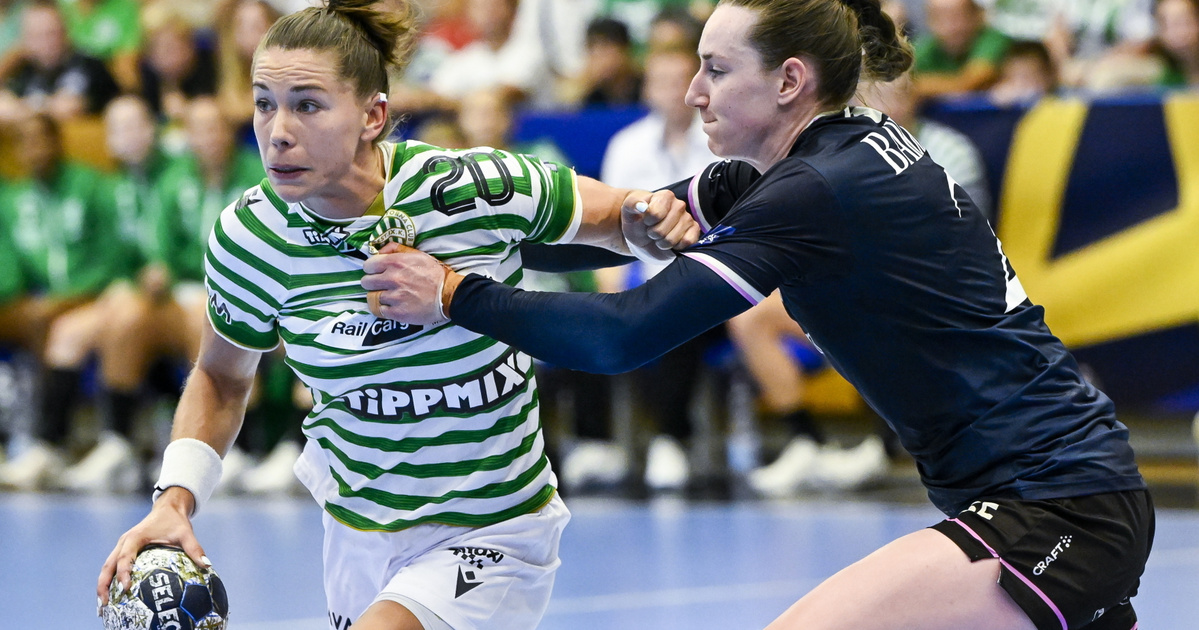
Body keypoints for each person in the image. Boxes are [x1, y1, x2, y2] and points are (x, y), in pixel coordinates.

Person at [368, 1, 1155, 628]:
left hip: (1056, 509)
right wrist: (451, 233)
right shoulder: (816, 157)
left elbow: (621, 335)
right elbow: (612, 228)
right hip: (1044, 495)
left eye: (715, 69)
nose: (692, 92)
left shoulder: (813, 190)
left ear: (787, 81)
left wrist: (455, 293)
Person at [97, 3, 698, 630]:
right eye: (264, 104)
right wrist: (176, 498)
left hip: (494, 528)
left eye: (307, 105)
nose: (277, 131)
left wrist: (651, 218)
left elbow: (620, 215)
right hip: (357, 530)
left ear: (373, 116)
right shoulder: (252, 236)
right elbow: (221, 377)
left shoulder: (469, 188)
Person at [0, 112, 122, 489]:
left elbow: (112, 258)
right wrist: (19, 297)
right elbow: (8, 264)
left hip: (93, 294)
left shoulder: (91, 186)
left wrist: (68, 298)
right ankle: (26, 439)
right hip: (37, 302)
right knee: (34, 318)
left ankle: (44, 441)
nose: (32, 148)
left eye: (39, 138)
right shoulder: (13, 199)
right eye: (23, 141)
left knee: (51, 325)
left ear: (57, 142)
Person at [912, 0, 1010, 98]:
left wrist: (920, 86)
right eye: (941, 19)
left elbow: (973, 81)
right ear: (929, 22)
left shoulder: (993, 39)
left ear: (978, 15)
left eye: (959, 17)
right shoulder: (924, 49)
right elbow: (905, 83)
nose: (951, 27)